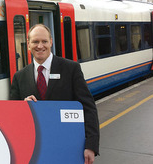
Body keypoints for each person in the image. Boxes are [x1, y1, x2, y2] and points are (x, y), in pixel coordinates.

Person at [10, 24, 99, 164]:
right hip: (35, 149)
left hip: (68, 146)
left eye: (44, 41)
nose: (40, 46)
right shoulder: (19, 77)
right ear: (28, 44)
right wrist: (23, 107)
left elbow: (88, 108)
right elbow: (12, 115)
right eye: (35, 42)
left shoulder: (71, 69)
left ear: (51, 42)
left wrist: (91, 145)